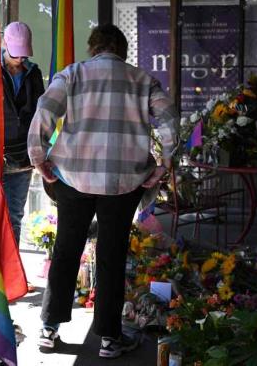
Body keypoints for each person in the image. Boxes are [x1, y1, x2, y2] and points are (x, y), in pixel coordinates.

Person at [28, 24, 179, 358]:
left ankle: (48, 330)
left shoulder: (72, 75)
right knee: (112, 255)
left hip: (73, 178)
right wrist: (164, 163)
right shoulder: (142, 80)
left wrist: (40, 160)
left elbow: (44, 113)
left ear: (93, 47)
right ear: (121, 50)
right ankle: (110, 340)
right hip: (123, 182)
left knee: (66, 249)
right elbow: (169, 118)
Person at [1, 21, 45, 245]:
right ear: (3, 43)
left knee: (15, 215)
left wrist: (41, 150)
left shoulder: (33, 73)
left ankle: (12, 272)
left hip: (24, 155)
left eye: (24, 54)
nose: (20, 59)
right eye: (16, 54)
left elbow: (42, 111)